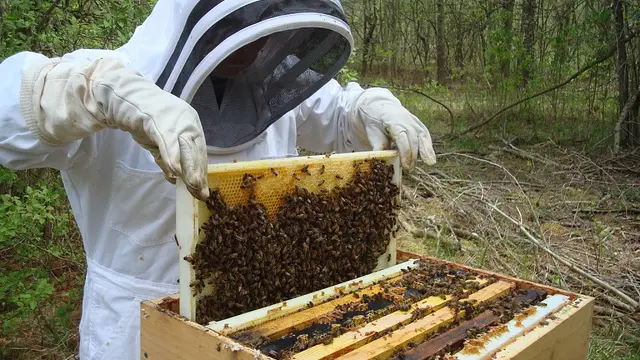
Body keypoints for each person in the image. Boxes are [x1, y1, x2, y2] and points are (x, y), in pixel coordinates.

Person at [0, 0, 437, 359]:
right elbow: (9, 116)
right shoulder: (111, 78)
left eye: (263, 25)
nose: (252, 43)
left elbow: (336, 111)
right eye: (238, 22)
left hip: (257, 323)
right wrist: (89, 93)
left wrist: (367, 107)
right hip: (132, 336)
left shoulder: (272, 84)